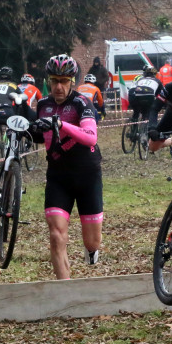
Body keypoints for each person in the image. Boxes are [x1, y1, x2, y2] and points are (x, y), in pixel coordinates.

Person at [31, 54, 103, 280]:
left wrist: (62, 125)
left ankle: (91, 250)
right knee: (56, 235)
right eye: (54, 81)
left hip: (87, 174)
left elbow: (90, 137)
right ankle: (65, 288)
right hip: (58, 176)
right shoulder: (43, 105)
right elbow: (41, 137)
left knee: (92, 242)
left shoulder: (82, 103)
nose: (59, 87)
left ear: (73, 81)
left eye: (64, 81)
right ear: (48, 81)